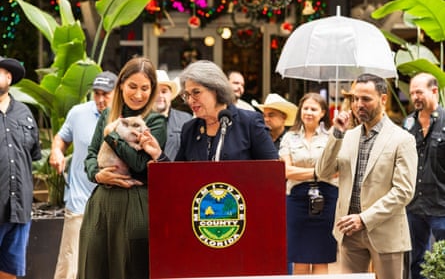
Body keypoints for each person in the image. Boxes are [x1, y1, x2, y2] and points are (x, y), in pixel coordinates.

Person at [315, 73, 418, 279]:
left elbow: (404, 191)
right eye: (355, 99)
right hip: (349, 232)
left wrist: (363, 219)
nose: (358, 104)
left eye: (366, 99)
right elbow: (323, 172)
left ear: (383, 99)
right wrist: (336, 133)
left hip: (385, 231)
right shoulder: (347, 135)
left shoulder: (402, 139)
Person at [78, 57, 167, 279]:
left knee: (130, 267)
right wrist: (97, 174)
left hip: (135, 204)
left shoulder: (155, 122)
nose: (138, 94)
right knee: (95, 267)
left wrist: (113, 137)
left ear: (152, 90)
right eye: (133, 87)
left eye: (145, 88)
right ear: (121, 86)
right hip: (101, 205)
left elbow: (139, 165)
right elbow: (90, 155)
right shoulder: (107, 116)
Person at [49, 71, 117, 279]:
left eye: (106, 93)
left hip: (114, 203)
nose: (100, 99)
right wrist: (56, 151)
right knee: (70, 264)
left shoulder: (126, 116)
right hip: (80, 202)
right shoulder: (78, 112)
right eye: (96, 93)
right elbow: (61, 138)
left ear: (117, 92)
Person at [140, 60, 277, 162]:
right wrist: (159, 155)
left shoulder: (250, 123)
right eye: (187, 95)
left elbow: (272, 172)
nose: (190, 100)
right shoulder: (190, 129)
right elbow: (179, 176)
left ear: (216, 89)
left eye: (196, 92)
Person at [279, 92, 337, 275]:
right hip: (297, 200)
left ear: (322, 113)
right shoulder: (289, 137)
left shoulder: (332, 137)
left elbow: (337, 170)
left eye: (314, 109)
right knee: (300, 258)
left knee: (321, 258)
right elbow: (285, 171)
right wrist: (318, 173)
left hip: (326, 200)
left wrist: (301, 172)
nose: (309, 112)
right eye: (305, 108)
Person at [0, 56, 41, 279]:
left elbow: (33, 154)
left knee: (10, 272)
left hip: (19, 210)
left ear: (8, 77)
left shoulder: (25, 113)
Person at [403, 72, 445, 279]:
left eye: (419, 92)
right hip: (414, 205)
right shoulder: (408, 124)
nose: (414, 98)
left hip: (442, 206)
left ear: (434, 91)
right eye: (412, 94)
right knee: (416, 260)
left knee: (443, 260)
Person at [152, 70, 192, 159]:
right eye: (155, 92)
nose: (160, 96)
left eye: (164, 91)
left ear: (171, 94)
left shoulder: (186, 119)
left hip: (179, 172)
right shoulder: (140, 121)